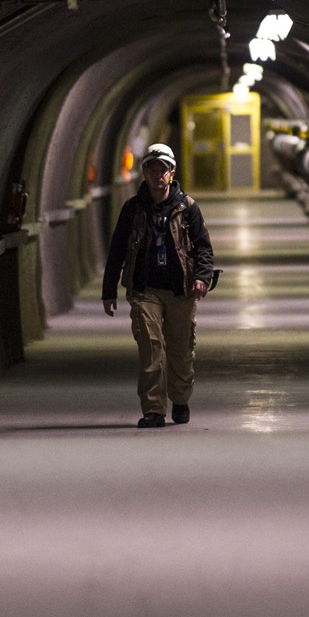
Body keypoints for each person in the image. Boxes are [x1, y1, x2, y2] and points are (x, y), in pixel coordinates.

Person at [101, 142, 216, 428]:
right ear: (144, 173)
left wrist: (202, 276)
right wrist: (108, 290)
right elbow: (117, 249)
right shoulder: (132, 209)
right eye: (152, 169)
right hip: (145, 288)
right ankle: (153, 409)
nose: (157, 175)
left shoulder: (187, 207)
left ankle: (180, 399)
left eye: (162, 169)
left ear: (172, 172)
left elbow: (203, 247)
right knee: (150, 348)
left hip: (181, 289)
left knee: (180, 349)